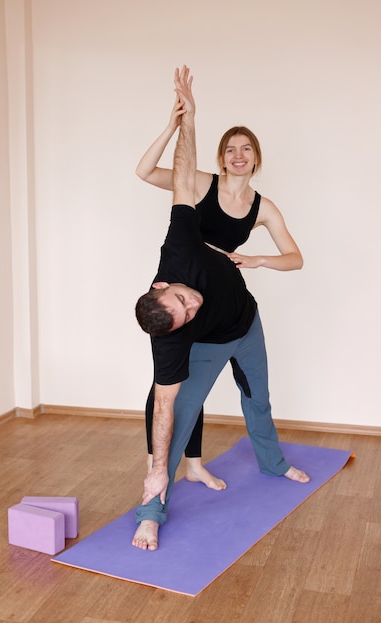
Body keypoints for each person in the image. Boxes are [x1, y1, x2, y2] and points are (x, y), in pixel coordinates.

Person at [132, 65, 309, 551]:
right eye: (229, 149)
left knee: (259, 399)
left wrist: (188, 119)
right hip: (210, 341)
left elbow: (183, 170)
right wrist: (152, 469)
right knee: (176, 411)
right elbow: (164, 406)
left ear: (165, 283)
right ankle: (152, 508)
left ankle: (272, 462)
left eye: (245, 148)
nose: (190, 304)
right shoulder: (173, 332)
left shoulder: (184, 241)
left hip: (245, 322)